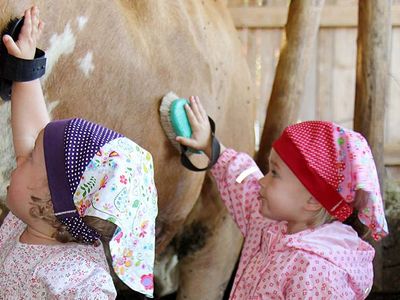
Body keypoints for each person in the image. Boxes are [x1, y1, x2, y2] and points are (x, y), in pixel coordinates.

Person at [0, 6, 158, 299]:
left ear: (50, 202)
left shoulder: (81, 282)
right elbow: (31, 131)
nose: (19, 157)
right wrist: (25, 68)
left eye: (31, 157)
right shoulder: (34, 215)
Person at [176, 95, 389, 299]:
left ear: (313, 200)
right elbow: (243, 180)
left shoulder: (317, 273)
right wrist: (211, 147)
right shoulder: (270, 225)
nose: (262, 180)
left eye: (274, 173)